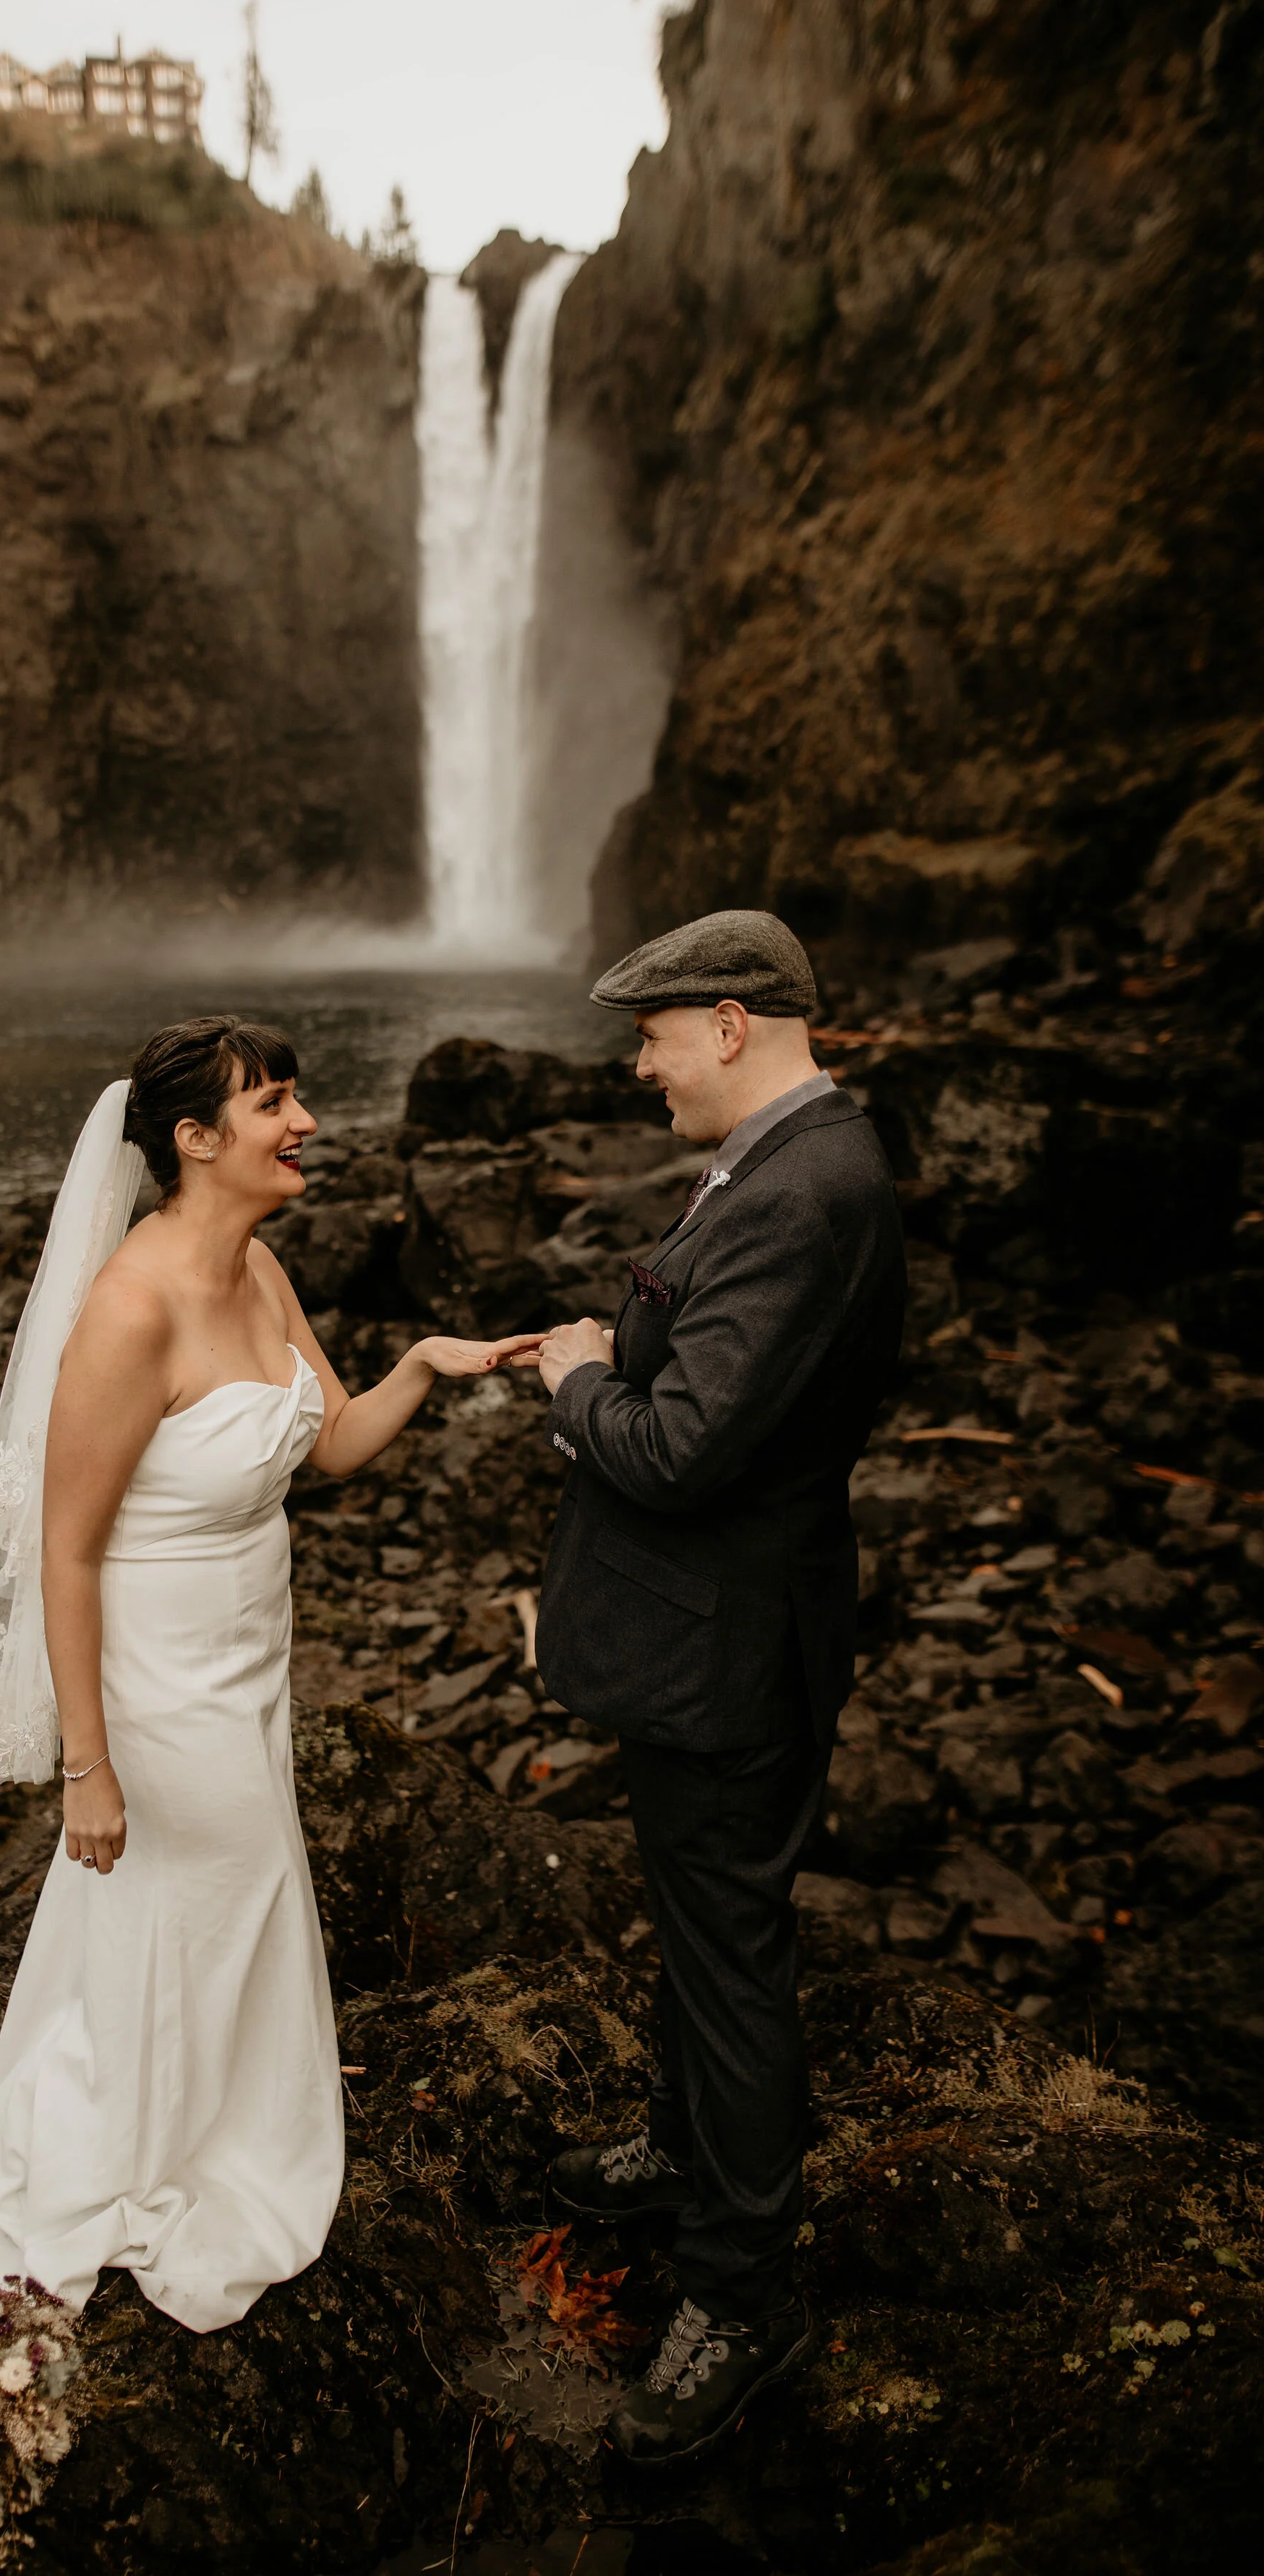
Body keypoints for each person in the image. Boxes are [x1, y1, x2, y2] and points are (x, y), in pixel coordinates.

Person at [0, 1016, 537, 2332]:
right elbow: (68, 1554)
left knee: (210, 1903)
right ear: (198, 1142)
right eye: (278, 1103)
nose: (306, 1122)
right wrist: (84, 1767)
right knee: (221, 1885)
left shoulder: (260, 1275)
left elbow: (326, 1449)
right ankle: (146, 2160)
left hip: (250, 1651)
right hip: (153, 1672)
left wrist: (423, 1367)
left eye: (297, 1098)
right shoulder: (131, 1309)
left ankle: (201, 2134)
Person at [526, 909, 905, 2465]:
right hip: (717, 1632)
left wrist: (573, 1383)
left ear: (735, 1023)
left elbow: (681, 1447)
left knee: (733, 1956)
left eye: (657, 1036)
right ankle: (683, 2145)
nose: (641, 1064)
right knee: (698, 1917)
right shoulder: (793, 1160)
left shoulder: (806, 1187)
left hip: (728, 1647)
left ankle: (742, 2291)